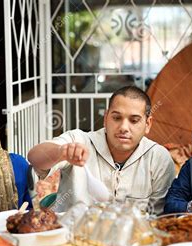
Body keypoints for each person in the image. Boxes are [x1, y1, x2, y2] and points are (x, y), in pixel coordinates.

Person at [28, 86, 176, 214]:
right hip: (72, 239)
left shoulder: (158, 158)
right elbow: (34, 157)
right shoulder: (79, 140)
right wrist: (62, 151)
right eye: (116, 118)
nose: (124, 127)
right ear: (106, 118)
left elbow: (158, 218)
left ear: (148, 124)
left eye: (134, 120)